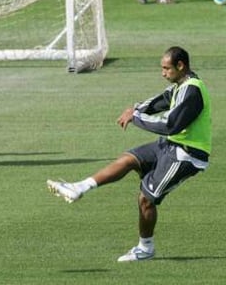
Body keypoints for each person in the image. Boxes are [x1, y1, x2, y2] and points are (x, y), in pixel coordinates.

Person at [47, 46, 212, 262]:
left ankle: (145, 249)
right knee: (128, 159)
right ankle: (79, 187)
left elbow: (170, 124)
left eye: (166, 68)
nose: (163, 73)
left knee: (146, 199)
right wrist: (135, 109)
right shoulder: (180, 86)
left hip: (186, 155)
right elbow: (158, 102)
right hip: (171, 145)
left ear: (180, 66)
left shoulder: (193, 90)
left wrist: (136, 118)